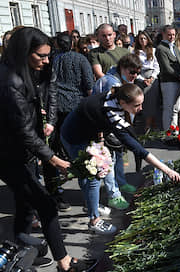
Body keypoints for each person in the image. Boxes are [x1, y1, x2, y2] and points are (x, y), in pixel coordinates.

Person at [0, 27, 94, 272]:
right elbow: (23, 131)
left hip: (19, 152)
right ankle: (64, 262)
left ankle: (18, 252)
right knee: (46, 204)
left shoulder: (22, 73)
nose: (46, 60)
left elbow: (28, 115)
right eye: (41, 56)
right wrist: (53, 158)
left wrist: (39, 115)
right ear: (24, 52)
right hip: (8, 155)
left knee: (25, 204)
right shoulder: (11, 80)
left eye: (47, 55)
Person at [61, 83, 180, 230]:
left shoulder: (117, 95)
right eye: (137, 105)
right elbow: (137, 148)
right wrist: (166, 170)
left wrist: (100, 142)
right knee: (93, 177)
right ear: (124, 103)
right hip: (75, 137)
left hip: (87, 133)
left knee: (89, 176)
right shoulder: (109, 111)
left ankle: (91, 204)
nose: (140, 109)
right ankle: (94, 220)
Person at [43, 32, 95, 211]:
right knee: (81, 151)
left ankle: (56, 191)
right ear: (72, 43)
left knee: (55, 151)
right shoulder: (81, 59)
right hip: (76, 109)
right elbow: (89, 86)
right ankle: (88, 198)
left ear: (57, 44)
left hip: (56, 109)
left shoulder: (52, 60)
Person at [92, 54, 142, 211]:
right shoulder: (112, 83)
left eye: (137, 72)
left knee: (118, 154)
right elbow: (109, 111)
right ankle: (113, 194)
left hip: (112, 124)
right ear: (123, 68)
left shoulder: (120, 79)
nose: (134, 76)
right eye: (132, 72)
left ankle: (121, 182)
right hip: (103, 126)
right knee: (109, 160)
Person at [156, 25, 180, 131]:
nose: (172, 37)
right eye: (169, 35)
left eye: (173, 34)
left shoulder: (174, 47)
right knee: (168, 108)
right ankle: (167, 133)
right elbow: (166, 68)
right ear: (163, 34)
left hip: (178, 81)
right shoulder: (161, 48)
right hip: (168, 82)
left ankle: (174, 131)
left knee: (176, 109)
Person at [134, 31, 161, 131]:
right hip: (141, 77)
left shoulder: (153, 50)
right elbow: (134, 68)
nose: (143, 41)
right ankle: (147, 124)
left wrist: (152, 78)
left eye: (144, 38)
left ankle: (152, 123)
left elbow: (157, 66)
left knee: (153, 101)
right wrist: (142, 79)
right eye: (140, 39)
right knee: (144, 102)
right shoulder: (135, 52)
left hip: (152, 77)